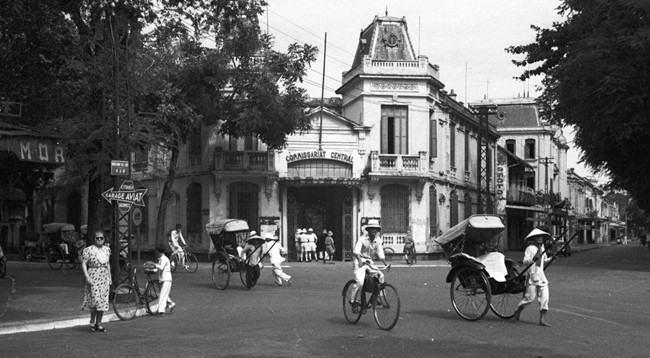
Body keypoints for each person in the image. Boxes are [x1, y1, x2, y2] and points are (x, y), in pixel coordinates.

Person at [514, 227, 554, 327]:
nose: (539, 239)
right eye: (537, 237)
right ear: (534, 238)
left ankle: (542, 319)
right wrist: (533, 258)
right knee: (529, 298)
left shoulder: (543, 248)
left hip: (541, 276)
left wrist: (552, 258)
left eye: (541, 237)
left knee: (545, 298)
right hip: (532, 276)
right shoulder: (530, 248)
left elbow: (543, 262)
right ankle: (518, 311)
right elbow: (525, 261)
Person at [349, 219, 388, 311]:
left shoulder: (378, 240)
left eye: (376, 229)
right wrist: (359, 261)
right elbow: (356, 251)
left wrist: (386, 263)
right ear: (368, 230)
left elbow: (380, 253)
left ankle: (376, 297)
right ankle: (353, 301)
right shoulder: (362, 239)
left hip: (369, 261)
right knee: (360, 282)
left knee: (380, 276)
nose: (374, 231)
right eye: (372, 229)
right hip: (359, 260)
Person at [81, 231, 112, 332]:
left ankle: (99, 323)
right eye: (97, 238)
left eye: (101, 238)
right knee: (95, 300)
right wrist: (87, 276)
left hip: (104, 277)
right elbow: (84, 263)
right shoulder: (88, 250)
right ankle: (92, 321)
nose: (99, 240)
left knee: (103, 301)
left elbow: (107, 264)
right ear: (94, 239)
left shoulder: (107, 250)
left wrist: (109, 276)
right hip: (93, 276)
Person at [146, 246, 175, 315]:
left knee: (162, 295)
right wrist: (150, 270)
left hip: (166, 279)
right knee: (164, 293)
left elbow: (161, 267)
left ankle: (161, 311)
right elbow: (157, 269)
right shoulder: (161, 259)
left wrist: (153, 263)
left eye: (157, 252)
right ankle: (171, 303)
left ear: (159, 252)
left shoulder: (164, 259)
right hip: (162, 279)